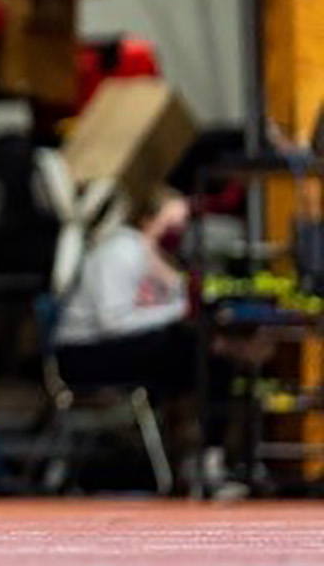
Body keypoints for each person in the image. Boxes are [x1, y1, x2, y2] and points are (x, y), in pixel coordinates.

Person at [54, 190, 266, 494]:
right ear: (148, 220)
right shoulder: (122, 251)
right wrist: (179, 311)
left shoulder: (158, 257)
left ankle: (204, 460)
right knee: (195, 349)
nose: (180, 228)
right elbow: (113, 322)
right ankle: (204, 462)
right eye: (173, 220)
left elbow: (178, 301)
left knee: (209, 355)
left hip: (117, 346)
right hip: (83, 354)